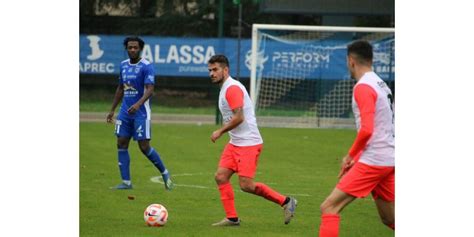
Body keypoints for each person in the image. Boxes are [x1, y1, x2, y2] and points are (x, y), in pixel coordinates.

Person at [207, 55, 297, 226]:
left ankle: (286, 201)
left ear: (225, 70)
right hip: (235, 143)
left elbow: (239, 117)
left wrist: (220, 131)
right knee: (220, 176)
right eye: (210, 70)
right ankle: (232, 218)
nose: (212, 73)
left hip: (248, 143)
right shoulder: (225, 87)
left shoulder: (232, 88)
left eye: (215, 69)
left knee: (246, 185)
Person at [318, 40, 395, 236]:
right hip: (388, 158)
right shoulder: (381, 84)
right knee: (390, 219)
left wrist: (350, 156)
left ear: (351, 60)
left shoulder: (363, 87)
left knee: (329, 207)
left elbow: (368, 129)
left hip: (375, 160)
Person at [106, 36, 173, 191]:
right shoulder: (123, 65)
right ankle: (126, 183)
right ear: (126, 49)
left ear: (140, 48)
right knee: (121, 143)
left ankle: (165, 173)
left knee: (144, 147)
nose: (132, 50)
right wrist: (112, 110)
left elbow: (150, 89)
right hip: (124, 112)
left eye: (135, 47)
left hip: (141, 112)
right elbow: (120, 88)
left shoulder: (146, 66)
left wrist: (138, 104)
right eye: (130, 47)